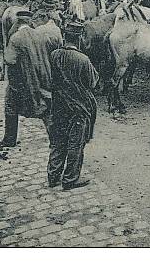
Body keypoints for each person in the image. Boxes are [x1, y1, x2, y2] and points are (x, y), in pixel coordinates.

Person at [47, 22, 99, 190]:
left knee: (58, 141)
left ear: (64, 36)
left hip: (58, 106)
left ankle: (53, 176)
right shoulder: (83, 59)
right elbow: (93, 82)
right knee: (75, 143)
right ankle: (70, 179)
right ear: (80, 39)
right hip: (78, 107)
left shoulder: (54, 55)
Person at [0, 10, 63, 147]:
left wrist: (13, 83)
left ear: (17, 23)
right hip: (42, 78)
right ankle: (55, 139)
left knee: (10, 107)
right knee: (46, 109)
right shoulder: (40, 35)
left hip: (23, 81)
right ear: (29, 22)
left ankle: (9, 139)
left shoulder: (16, 38)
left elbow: (10, 60)